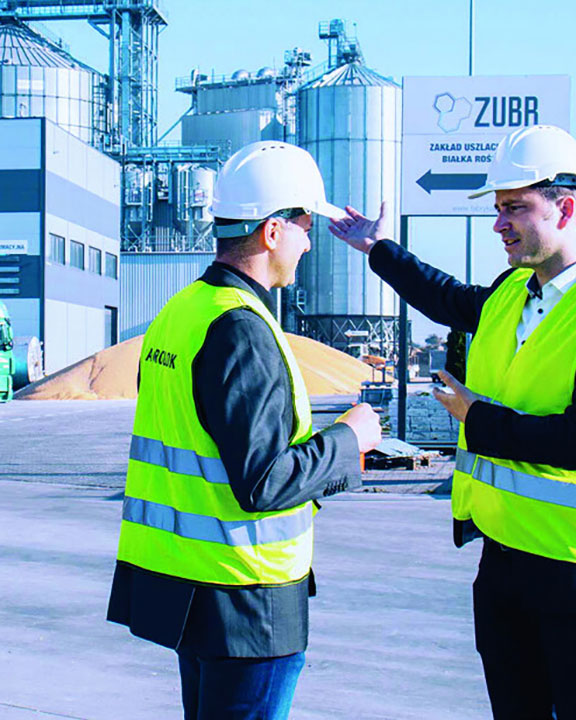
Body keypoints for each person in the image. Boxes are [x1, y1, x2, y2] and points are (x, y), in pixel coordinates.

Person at [328, 124, 576, 720]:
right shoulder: (510, 292)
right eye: (498, 209)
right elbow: (446, 296)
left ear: (566, 206)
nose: (499, 224)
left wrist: (477, 420)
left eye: (514, 209)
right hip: (504, 567)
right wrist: (378, 249)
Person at [107, 140, 382, 720]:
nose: (310, 240)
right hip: (247, 601)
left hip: (189, 587)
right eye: (305, 224)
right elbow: (263, 482)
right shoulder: (241, 328)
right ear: (273, 231)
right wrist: (349, 441)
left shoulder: (182, 311)